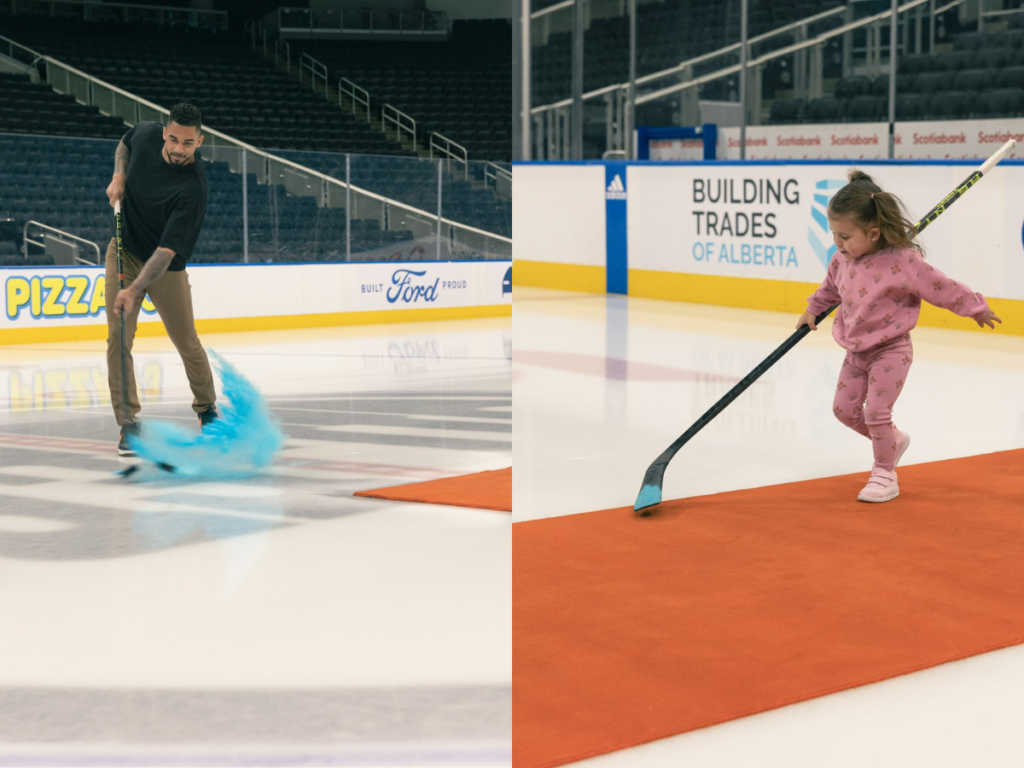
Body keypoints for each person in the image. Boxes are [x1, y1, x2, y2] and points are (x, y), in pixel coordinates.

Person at [798, 169, 1001, 503]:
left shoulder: (904, 262)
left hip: (890, 351)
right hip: (855, 351)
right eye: (834, 233)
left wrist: (976, 308)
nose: (837, 242)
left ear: (874, 232)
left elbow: (942, 287)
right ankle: (893, 440)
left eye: (845, 236)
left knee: (876, 413)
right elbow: (830, 288)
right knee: (844, 411)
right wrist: (812, 309)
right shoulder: (842, 258)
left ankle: (884, 472)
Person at [105, 102, 217, 456]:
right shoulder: (147, 132)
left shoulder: (193, 189)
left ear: (199, 142)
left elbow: (166, 252)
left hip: (165, 267)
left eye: (187, 143)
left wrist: (135, 288)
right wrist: (119, 175)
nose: (178, 149)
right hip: (124, 250)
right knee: (118, 338)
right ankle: (129, 425)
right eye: (173, 140)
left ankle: (207, 410)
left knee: (187, 342)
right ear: (165, 133)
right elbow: (125, 143)